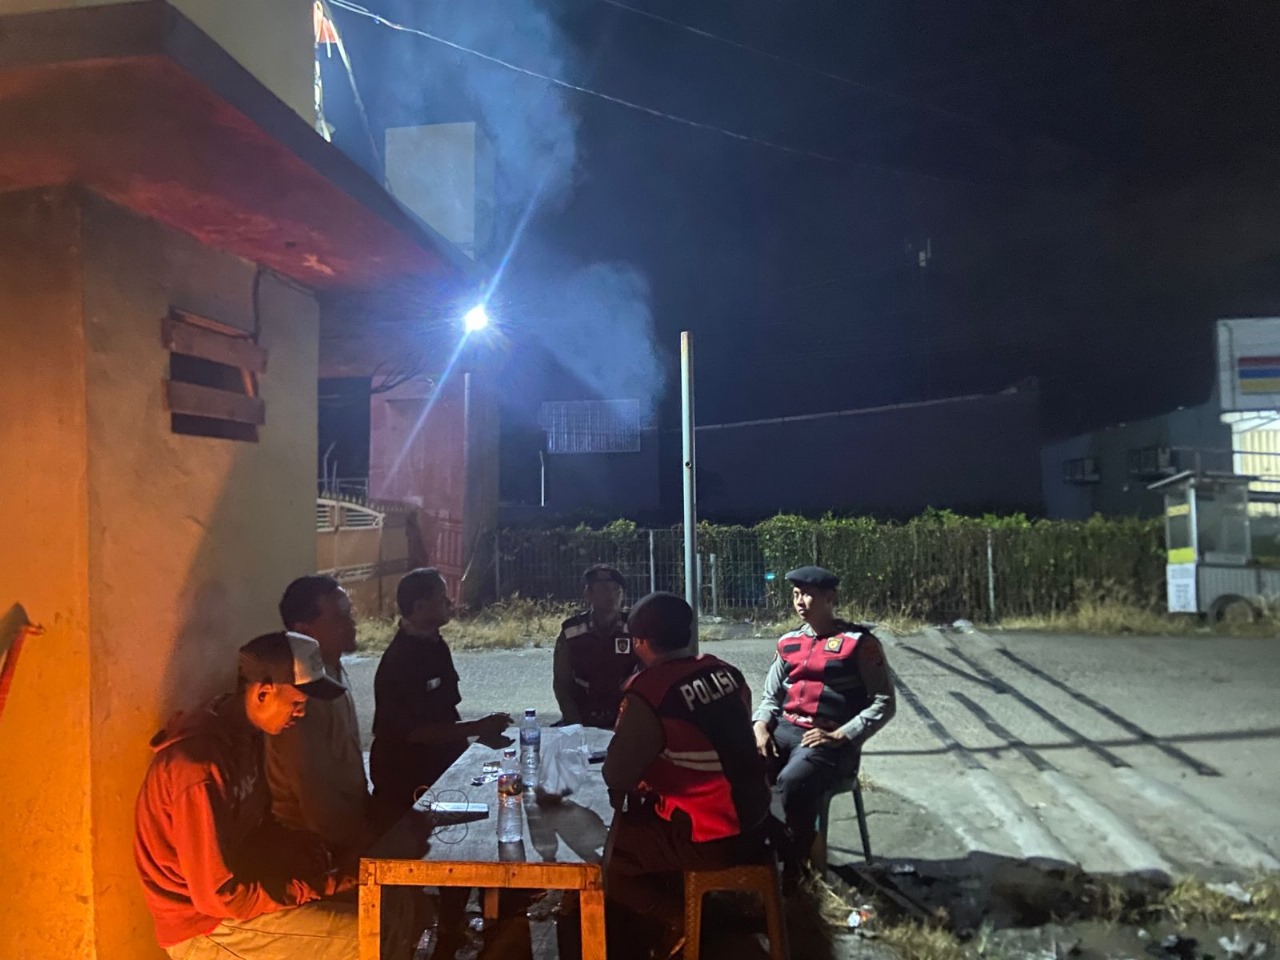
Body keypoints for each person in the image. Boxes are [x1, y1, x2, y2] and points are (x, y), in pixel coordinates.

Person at [134, 631, 411, 959]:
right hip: (204, 926)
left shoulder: (246, 737)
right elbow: (220, 897)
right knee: (369, 935)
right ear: (263, 693)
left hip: (236, 904)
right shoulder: (198, 768)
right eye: (297, 703)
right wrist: (317, 887)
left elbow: (258, 828)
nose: (301, 713)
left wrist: (306, 849)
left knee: (387, 903)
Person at [603, 592, 771, 959]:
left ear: (640, 642)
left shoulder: (649, 692)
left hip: (711, 837)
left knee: (597, 854)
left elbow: (616, 775)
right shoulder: (725, 672)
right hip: (759, 820)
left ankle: (679, 918)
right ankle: (691, 907)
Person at [751, 565, 896, 873]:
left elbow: (884, 702)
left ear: (830, 598)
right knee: (739, 766)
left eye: (808, 595)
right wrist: (760, 726)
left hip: (829, 741)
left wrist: (843, 734)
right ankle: (759, 856)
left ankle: (797, 871)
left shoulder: (859, 643)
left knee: (793, 781)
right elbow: (770, 697)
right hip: (785, 730)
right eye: (795, 594)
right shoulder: (788, 642)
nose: (799, 601)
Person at [369, 567, 512, 819]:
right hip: (407, 781)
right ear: (420, 606)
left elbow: (446, 710)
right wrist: (477, 727)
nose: (450, 602)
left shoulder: (434, 644)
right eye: (442, 597)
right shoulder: (401, 659)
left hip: (439, 770)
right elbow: (414, 732)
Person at [265, 575, 372, 858]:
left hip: (350, 831)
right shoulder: (300, 696)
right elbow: (316, 799)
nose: (351, 624)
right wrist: (364, 848)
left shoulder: (333, 671)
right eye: (339, 618)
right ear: (304, 632)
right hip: (316, 849)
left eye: (349, 614)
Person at [553, 563, 639, 728]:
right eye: (604, 589)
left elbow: (645, 677)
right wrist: (575, 724)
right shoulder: (572, 631)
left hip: (625, 716)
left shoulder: (634, 628)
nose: (611, 595)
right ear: (588, 594)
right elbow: (562, 683)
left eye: (617, 590)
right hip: (583, 715)